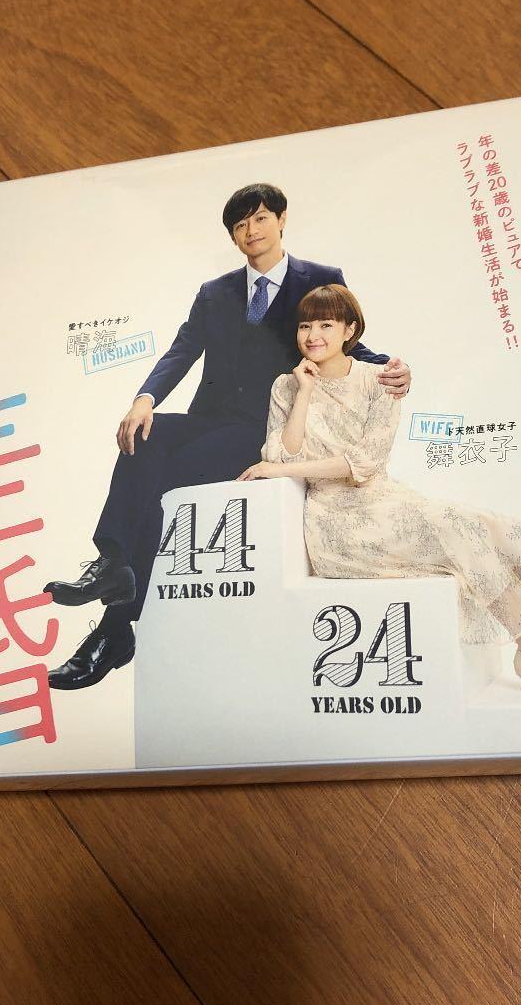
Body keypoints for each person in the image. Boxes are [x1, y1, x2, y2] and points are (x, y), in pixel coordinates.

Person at [239, 285, 521, 697]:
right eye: (305, 325)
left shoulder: (381, 381)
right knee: (458, 524)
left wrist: (277, 465)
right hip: (336, 525)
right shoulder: (286, 386)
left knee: (499, 525)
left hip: (385, 500)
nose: (313, 335)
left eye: (325, 324)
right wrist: (304, 393)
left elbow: (364, 463)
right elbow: (283, 456)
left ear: (349, 330)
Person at [43, 186, 412, 690]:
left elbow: (345, 339)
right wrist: (144, 399)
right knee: (142, 438)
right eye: (239, 226)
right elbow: (182, 349)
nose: (250, 231)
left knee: (161, 478)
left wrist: (391, 369)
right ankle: (112, 561)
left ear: (281, 219)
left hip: (267, 428)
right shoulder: (214, 292)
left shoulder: (319, 278)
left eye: (259, 219)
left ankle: (114, 628)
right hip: (211, 417)